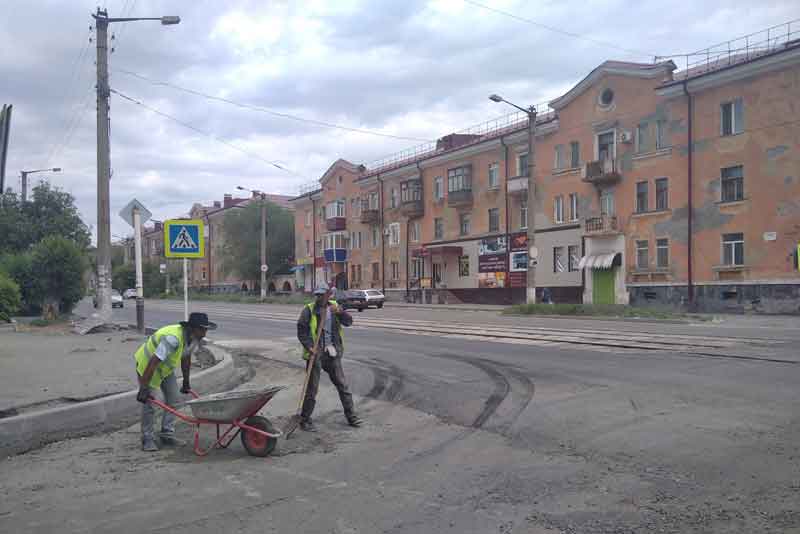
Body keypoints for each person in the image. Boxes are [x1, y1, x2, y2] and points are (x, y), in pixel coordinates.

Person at [134, 312, 217, 451]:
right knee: (149, 403)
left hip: (164, 369)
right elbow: (153, 362)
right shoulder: (173, 339)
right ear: (192, 328)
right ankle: (147, 438)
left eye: (206, 329)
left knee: (174, 399)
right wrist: (143, 387)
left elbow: (186, 357)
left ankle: (167, 434)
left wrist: (186, 381)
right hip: (147, 366)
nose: (205, 332)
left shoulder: (194, 338)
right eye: (202, 329)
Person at [296, 286, 362, 431]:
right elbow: (302, 330)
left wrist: (339, 312)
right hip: (315, 354)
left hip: (332, 352)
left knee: (342, 385)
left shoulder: (334, 307)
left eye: (322, 295)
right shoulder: (309, 309)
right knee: (312, 389)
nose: (319, 298)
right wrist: (310, 347)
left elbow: (349, 322)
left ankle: (352, 416)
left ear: (329, 295)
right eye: (317, 295)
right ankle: (305, 420)